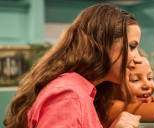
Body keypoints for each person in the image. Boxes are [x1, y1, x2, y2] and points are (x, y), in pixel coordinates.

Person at [3, 4, 143, 128]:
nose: (138, 59)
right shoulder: (69, 95)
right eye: (131, 47)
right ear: (103, 45)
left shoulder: (81, 90)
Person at [98, 49, 154, 128]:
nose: (147, 85)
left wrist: (153, 101)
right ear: (112, 87)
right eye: (135, 80)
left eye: (150, 78)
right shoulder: (109, 107)